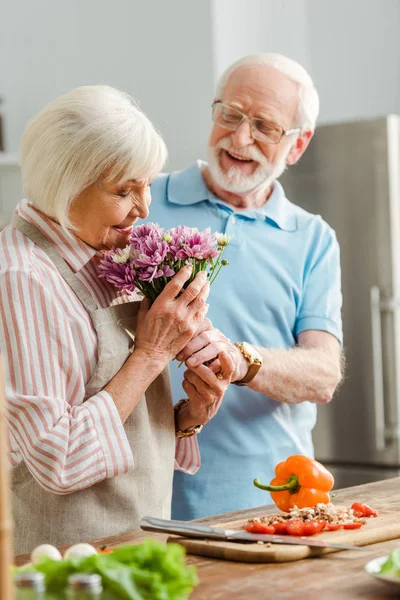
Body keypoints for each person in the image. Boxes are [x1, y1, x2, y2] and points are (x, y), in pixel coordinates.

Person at [0, 85, 234, 555]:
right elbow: (58, 459)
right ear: (65, 184)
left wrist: (186, 417)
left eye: (146, 183)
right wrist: (151, 354)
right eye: (123, 190)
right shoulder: (21, 278)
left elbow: (117, 418)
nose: (144, 209)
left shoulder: (106, 253)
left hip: (138, 550)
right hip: (65, 571)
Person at [148, 53, 344, 520]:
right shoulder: (143, 200)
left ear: (297, 146)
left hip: (271, 504)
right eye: (230, 114)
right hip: (145, 499)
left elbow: (323, 373)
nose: (239, 138)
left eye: (264, 126)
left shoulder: (313, 238)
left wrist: (241, 361)